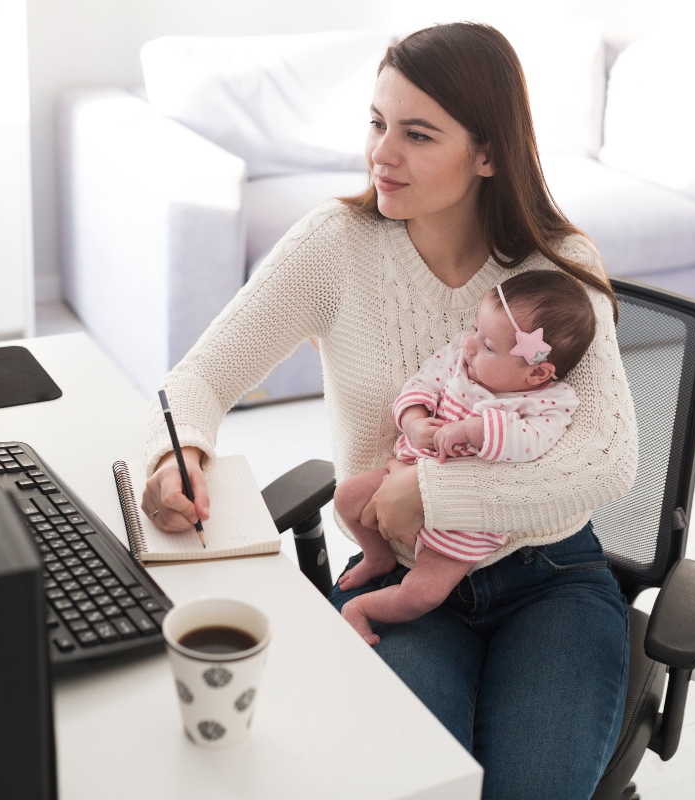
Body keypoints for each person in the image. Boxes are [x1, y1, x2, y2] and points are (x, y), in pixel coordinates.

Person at [141, 22, 638, 799]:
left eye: (417, 133)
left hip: (548, 576)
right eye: (377, 123)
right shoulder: (335, 245)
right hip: (396, 574)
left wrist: (433, 491)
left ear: (488, 154)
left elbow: (608, 455)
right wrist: (179, 455)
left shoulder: (560, 268)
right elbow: (198, 378)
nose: (383, 153)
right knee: (410, 785)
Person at [335, 271, 595, 647]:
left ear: (537, 372)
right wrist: (415, 422)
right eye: (475, 328)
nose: (469, 344)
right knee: (346, 497)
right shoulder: (460, 359)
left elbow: (533, 443)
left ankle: (360, 609)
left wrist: (476, 430)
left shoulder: (547, 402)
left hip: (469, 523)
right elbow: (420, 384)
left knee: (422, 594)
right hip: (405, 473)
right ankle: (377, 557)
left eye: (488, 345)